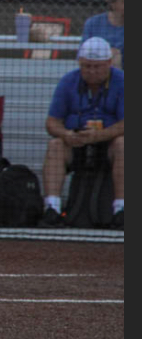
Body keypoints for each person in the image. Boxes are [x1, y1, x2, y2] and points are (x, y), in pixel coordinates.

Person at [41, 36, 125, 228]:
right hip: (76, 141)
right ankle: (52, 209)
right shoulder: (68, 81)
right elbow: (52, 122)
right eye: (86, 66)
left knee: (123, 145)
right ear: (79, 63)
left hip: (109, 143)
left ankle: (121, 209)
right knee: (55, 145)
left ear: (109, 64)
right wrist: (66, 135)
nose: (91, 71)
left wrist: (100, 135)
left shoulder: (122, 82)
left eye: (97, 67)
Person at [81, 0, 124, 69]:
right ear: (112, 2)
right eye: (123, 1)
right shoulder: (93, 24)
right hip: (99, 76)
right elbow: (83, 58)